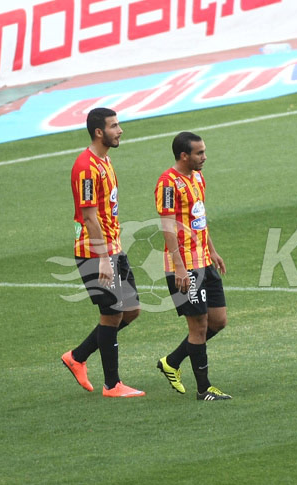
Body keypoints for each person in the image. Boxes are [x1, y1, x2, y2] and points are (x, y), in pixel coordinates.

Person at [61, 107, 145, 398]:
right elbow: (89, 217)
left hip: (114, 249)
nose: (120, 130)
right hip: (95, 252)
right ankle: (112, 385)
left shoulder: (104, 161)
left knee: (131, 311)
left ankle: (78, 356)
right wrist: (104, 258)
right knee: (111, 315)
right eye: (114, 126)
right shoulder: (86, 167)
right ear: (99, 132)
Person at [154, 132, 231, 401]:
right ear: (184, 156)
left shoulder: (197, 177)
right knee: (198, 327)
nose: (205, 157)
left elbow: (199, 216)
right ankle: (204, 389)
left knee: (218, 321)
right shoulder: (167, 184)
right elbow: (167, 226)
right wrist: (179, 267)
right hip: (185, 265)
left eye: (204, 151)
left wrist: (212, 249)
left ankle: (171, 361)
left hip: (205, 261)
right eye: (199, 153)